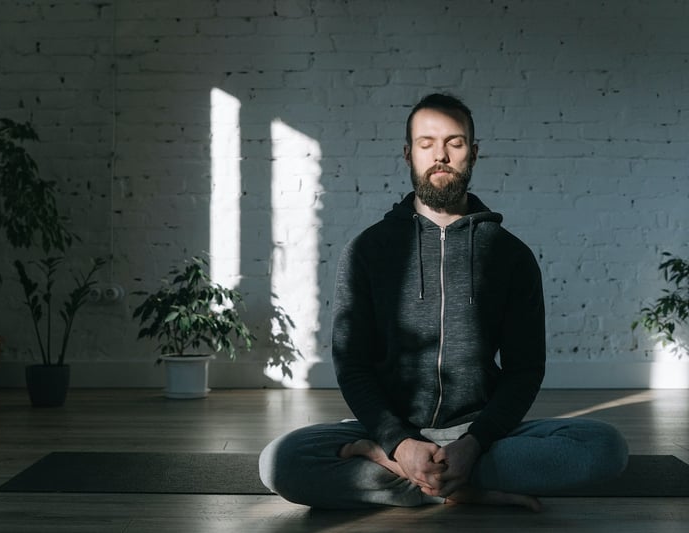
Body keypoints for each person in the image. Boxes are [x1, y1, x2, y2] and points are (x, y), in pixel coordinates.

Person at [258, 93, 629, 511]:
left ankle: (421, 479)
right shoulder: (367, 250)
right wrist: (398, 444)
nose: (441, 155)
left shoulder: (510, 255)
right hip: (391, 430)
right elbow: (352, 364)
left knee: (604, 447)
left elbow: (524, 370)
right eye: (426, 143)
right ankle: (458, 487)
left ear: (473, 153)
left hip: (480, 434)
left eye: (454, 143)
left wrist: (474, 443)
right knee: (280, 462)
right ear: (408, 154)